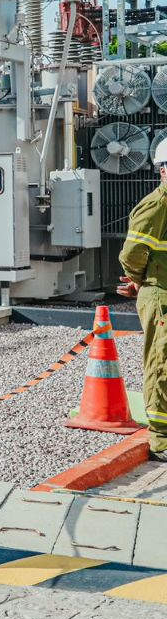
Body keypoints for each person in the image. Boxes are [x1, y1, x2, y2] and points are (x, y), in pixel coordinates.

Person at [117, 137, 167, 462]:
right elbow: (132, 254)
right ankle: (161, 439)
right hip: (162, 296)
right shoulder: (157, 205)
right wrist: (140, 281)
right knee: (162, 362)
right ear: (163, 171)